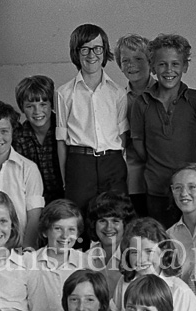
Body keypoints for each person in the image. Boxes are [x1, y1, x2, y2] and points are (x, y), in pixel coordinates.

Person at [131, 33, 196, 227]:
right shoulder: (142, 103)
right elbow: (139, 144)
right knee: (161, 243)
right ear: (153, 67)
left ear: (185, 66)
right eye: (162, 64)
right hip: (156, 190)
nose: (169, 70)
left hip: (191, 191)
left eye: (175, 64)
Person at [55, 24, 128, 212]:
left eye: (97, 48)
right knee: (79, 217)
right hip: (80, 164)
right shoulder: (64, 93)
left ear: (104, 51)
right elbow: (61, 141)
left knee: (115, 215)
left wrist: (117, 166)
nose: (91, 55)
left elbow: (123, 137)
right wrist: (67, 179)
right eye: (85, 49)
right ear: (76, 53)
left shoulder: (118, 93)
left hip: (112, 162)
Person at [108, 218, 196, 311]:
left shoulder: (179, 291)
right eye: (134, 252)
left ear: (163, 252)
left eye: (148, 251)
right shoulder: (124, 282)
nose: (141, 259)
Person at [0, 99, 44, 249]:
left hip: (20, 250)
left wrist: (27, 250)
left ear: (13, 131)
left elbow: (34, 216)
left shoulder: (29, 169)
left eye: (4, 131)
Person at [27, 199, 87, 311]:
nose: (65, 235)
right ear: (45, 231)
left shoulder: (86, 263)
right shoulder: (30, 262)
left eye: (71, 229)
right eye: (58, 228)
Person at [115, 34, 154, 217]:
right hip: (132, 180)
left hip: (160, 177)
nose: (132, 65)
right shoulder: (118, 99)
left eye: (138, 59)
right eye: (125, 60)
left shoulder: (165, 94)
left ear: (150, 61)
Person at [14, 75, 65, 204]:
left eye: (43, 104)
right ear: (22, 108)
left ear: (52, 105)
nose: (37, 111)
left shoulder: (64, 130)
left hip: (65, 199)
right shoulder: (18, 137)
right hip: (32, 202)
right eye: (30, 106)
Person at [84, 191, 137, 297]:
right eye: (102, 221)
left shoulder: (134, 258)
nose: (108, 228)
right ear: (93, 224)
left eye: (115, 221)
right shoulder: (86, 258)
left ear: (125, 224)